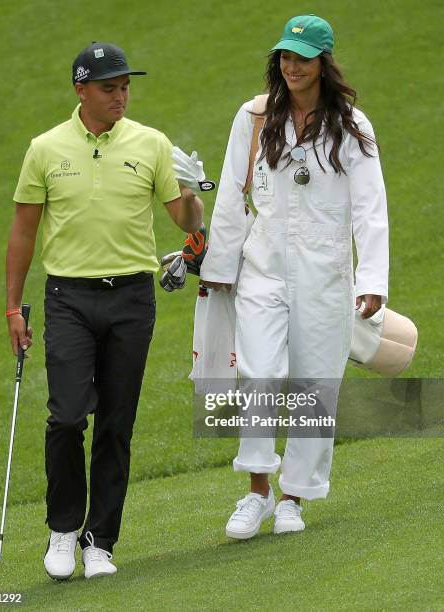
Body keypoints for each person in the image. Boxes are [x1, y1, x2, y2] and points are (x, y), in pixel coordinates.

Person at [6, 42, 204, 579]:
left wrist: (193, 194)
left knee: (117, 423)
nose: (121, 96)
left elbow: (185, 222)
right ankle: (64, 531)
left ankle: (101, 542)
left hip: (132, 298)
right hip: (68, 297)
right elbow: (24, 231)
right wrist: (11, 309)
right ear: (81, 90)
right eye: (109, 87)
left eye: (125, 87)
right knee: (67, 417)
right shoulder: (45, 149)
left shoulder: (151, 143)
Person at [200, 14, 388, 538]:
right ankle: (256, 490)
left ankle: (293, 499)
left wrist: (372, 279)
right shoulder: (255, 116)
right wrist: (218, 268)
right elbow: (235, 196)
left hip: (326, 272)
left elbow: (371, 208)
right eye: (285, 56)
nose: (291, 67)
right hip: (263, 266)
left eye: (302, 58)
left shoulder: (352, 126)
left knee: (313, 386)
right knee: (258, 372)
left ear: (323, 63)